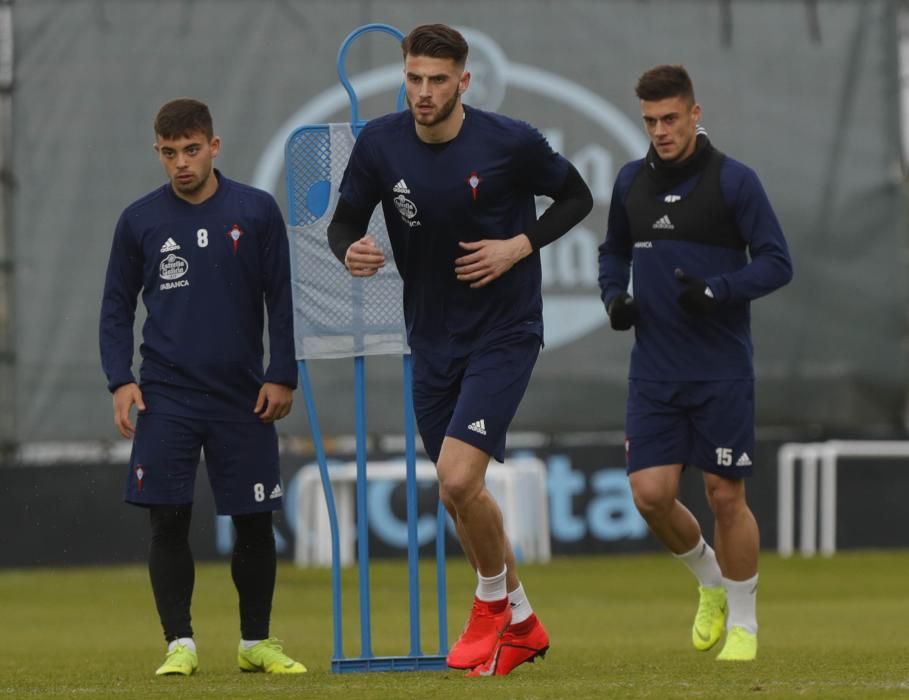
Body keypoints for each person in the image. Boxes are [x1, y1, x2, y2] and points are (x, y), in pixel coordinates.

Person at [327, 24, 593, 676]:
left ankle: (487, 604)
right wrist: (349, 250)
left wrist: (517, 246)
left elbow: (577, 197)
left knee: (455, 477)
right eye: (413, 78)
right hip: (430, 339)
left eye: (437, 80)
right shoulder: (379, 144)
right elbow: (342, 222)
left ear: (463, 82)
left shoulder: (509, 141)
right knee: (459, 496)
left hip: (503, 331)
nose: (423, 92)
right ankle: (523, 624)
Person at [99, 98, 306, 676]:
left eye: (191, 150)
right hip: (166, 395)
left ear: (214, 147)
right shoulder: (140, 220)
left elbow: (282, 299)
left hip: (245, 394)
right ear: (158, 153)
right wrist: (120, 380)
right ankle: (180, 644)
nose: (181, 164)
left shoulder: (257, 210)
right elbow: (116, 307)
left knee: (254, 519)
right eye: (169, 153)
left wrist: (282, 372)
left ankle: (255, 643)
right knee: (167, 518)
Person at [598, 65, 793, 661]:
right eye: (650, 121)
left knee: (724, 495)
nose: (660, 130)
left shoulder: (735, 182)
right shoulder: (631, 182)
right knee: (650, 495)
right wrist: (616, 299)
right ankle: (710, 581)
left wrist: (718, 290)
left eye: (670, 119)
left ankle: (745, 624)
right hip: (654, 371)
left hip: (720, 370)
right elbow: (613, 252)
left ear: (695, 114)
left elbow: (777, 262)